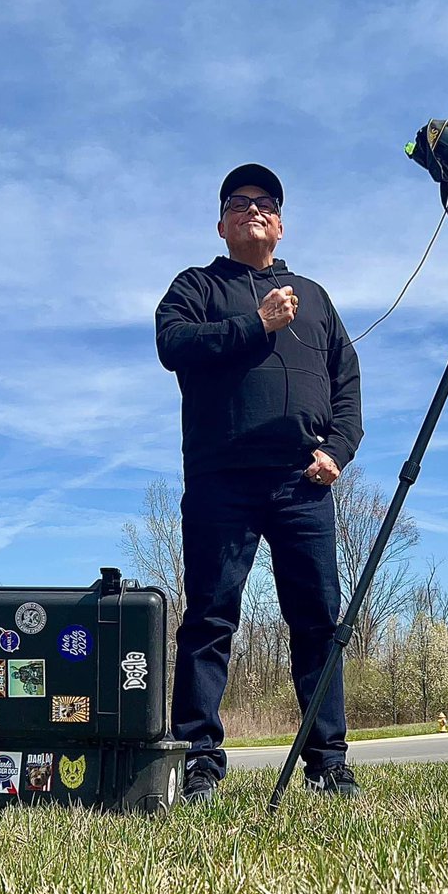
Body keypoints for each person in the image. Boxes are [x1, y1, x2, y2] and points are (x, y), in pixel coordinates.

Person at [155, 163, 363, 803]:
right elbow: (174, 345)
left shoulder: (314, 296)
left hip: (303, 483)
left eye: (266, 202)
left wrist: (339, 450)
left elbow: (347, 384)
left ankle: (328, 762)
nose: (254, 210)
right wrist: (258, 324)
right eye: (239, 202)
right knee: (211, 620)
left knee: (318, 623)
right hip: (222, 482)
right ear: (220, 224)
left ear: (280, 222)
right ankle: (199, 762)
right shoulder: (198, 286)